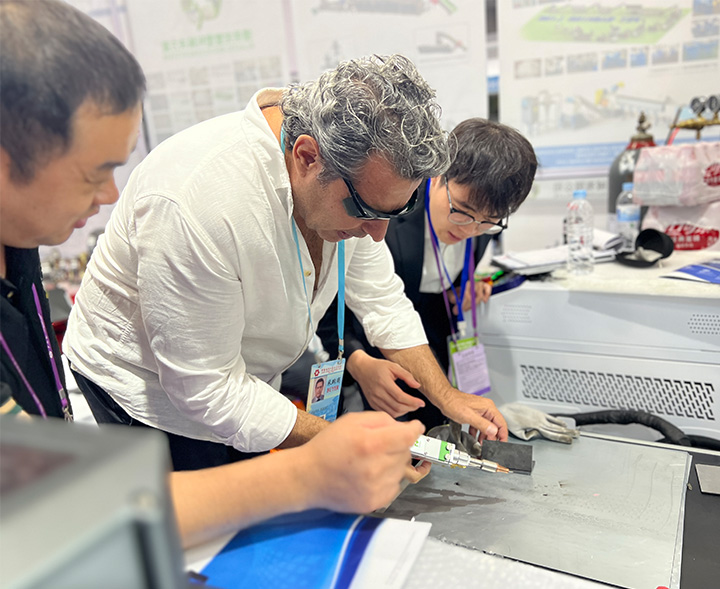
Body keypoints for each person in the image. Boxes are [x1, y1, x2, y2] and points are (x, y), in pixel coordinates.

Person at [0, 0, 426, 550]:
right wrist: (310, 469)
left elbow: (35, 465)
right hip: (149, 402)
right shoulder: (194, 198)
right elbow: (53, 506)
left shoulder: (18, 243)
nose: (110, 196)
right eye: (94, 173)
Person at [63, 53, 508, 472]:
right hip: (149, 392)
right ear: (307, 157)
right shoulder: (200, 203)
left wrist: (447, 396)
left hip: (246, 382)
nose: (378, 234)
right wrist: (343, 441)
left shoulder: (354, 177)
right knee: (207, 518)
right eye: (366, 211)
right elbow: (206, 388)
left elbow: (382, 300)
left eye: (396, 212)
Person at [318, 118, 537, 429]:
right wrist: (357, 362)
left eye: (489, 221)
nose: (470, 229)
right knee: (376, 434)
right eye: (462, 211)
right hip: (363, 342)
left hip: (430, 330)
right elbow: (332, 299)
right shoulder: (388, 211)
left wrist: (463, 286)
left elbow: (446, 266)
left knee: (436, 424)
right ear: (438, 176)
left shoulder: (481, 223)